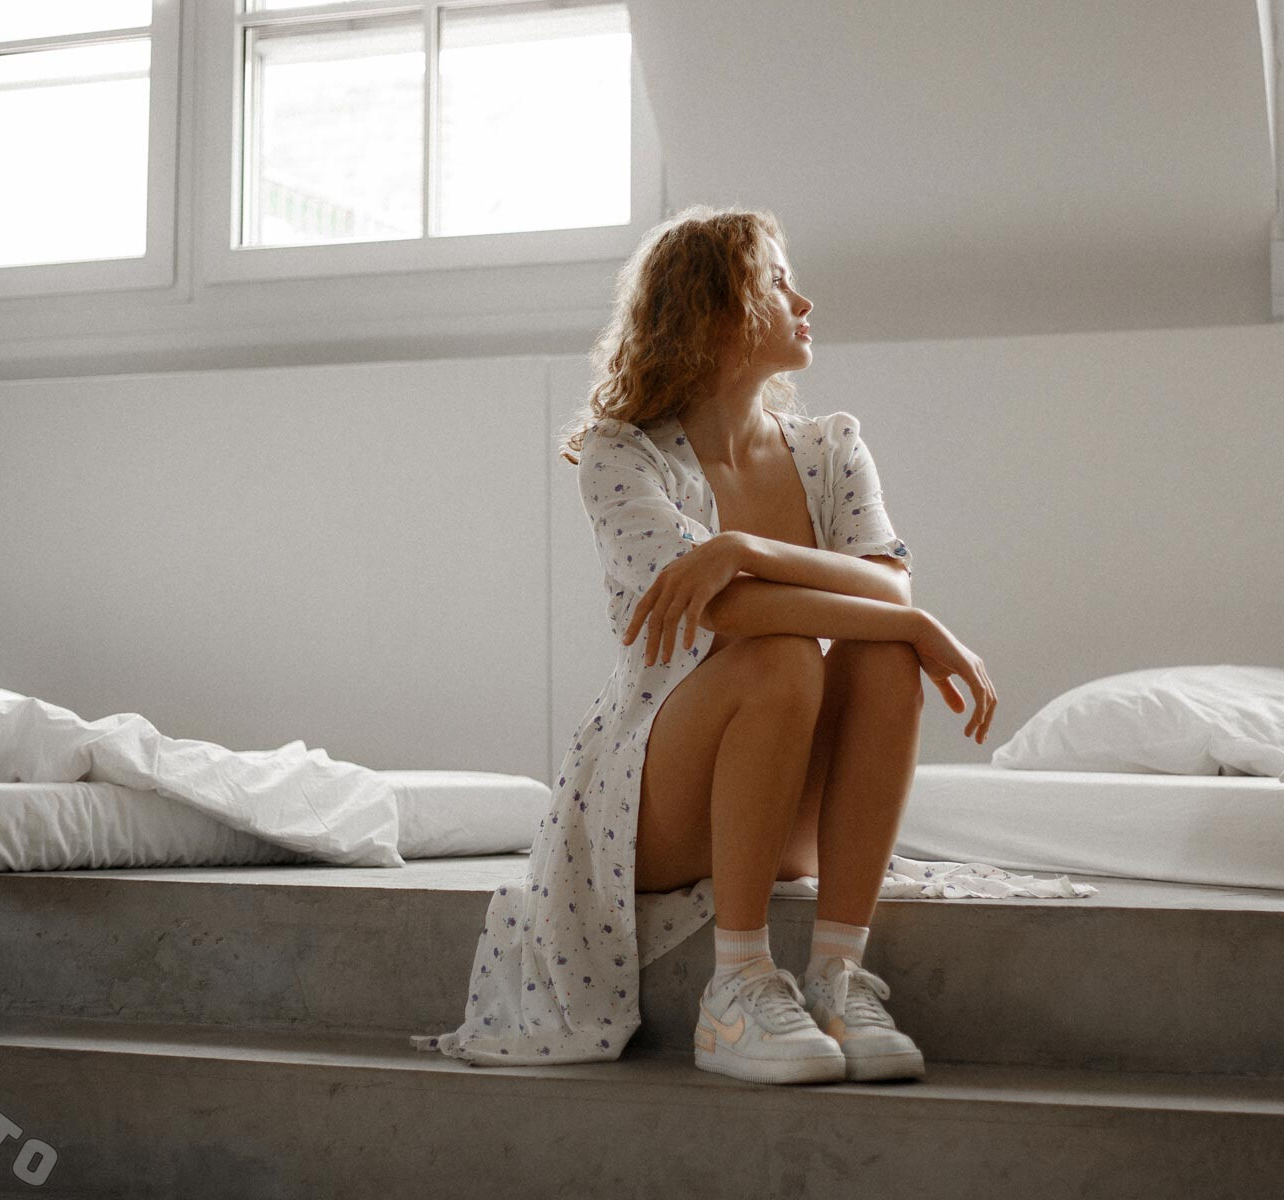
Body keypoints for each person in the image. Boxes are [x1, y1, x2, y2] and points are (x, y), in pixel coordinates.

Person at [409, 205, 996, 1084]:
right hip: (655, 802)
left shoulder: (830, 449)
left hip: (784, 793)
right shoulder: (621, 456)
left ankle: (838, 977)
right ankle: (738, 987)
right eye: (777, 282)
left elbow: (888, 590)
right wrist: (892, 614)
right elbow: (728, 615)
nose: (804, 301)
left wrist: (748, 549)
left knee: (880, 656)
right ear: (715, 310)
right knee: (784, 652)